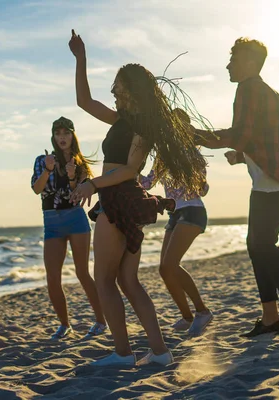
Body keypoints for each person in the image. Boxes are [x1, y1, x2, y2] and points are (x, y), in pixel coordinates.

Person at [68, 30, 207, 366]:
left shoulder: (142, 126)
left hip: (119, 199)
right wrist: (81, 59)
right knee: (128, 280)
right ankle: (159, 352)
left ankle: (123, 353)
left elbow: (131, 169)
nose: (113, 93)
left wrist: (94, 184)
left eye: (117, 87)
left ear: (129, 89)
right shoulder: (122, 120)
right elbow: (84, 102)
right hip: (126, 199)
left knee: (104, 280)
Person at [194, 38, 279, 337]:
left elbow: (240, 134)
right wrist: (242, 156)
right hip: (275, 179)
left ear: (249, 62)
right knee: (257, 245)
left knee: (263, 245)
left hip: (272, 183)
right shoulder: (262, 91)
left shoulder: (248, 89)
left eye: (232, 58)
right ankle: (271, 317)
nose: (228, 65)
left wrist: (196, 136)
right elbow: (258, 136)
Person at [31, 116, 107, 340]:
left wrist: (74, 177)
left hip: (75, 219)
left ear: (73, 135)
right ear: (53, 136)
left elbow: (79, 194)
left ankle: (101, 320)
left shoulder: (79, 162)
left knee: (82, 273)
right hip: (51, 221)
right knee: (52, 277)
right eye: (58, 133)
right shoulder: (42, 160)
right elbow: (37, 189)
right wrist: (48, 169)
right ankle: (64, 325)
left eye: (66, 133)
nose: (62, 138)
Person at [140, 111, 212, 337]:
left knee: (171, 264)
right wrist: (130, 170)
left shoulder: (193, 156)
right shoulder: (162, 156)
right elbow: (148, 182)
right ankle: (188, 316)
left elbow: (202, 190)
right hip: (175, 214)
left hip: (193, 210)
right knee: (164, 269)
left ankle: (202, 311)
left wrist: (190, 173)